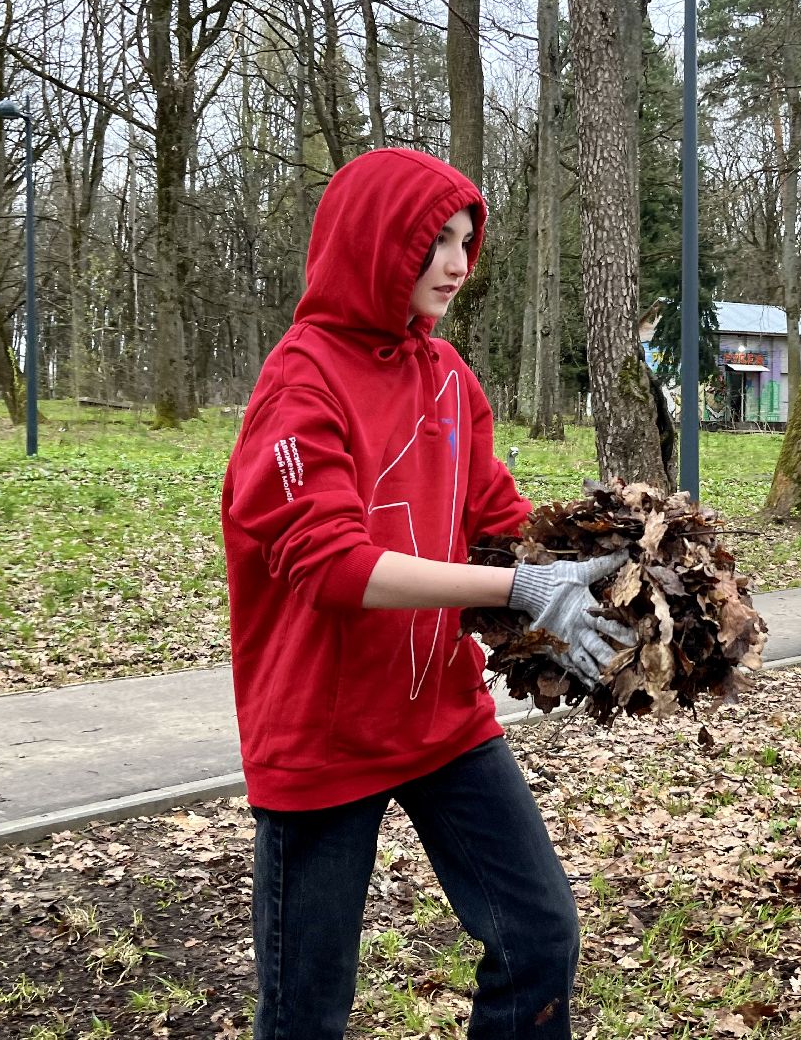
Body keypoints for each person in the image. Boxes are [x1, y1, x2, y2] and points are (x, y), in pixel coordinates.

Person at [221, 147, 632, 1038]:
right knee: (307, 1010)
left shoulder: (451, 382)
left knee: (539, 935)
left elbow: (498, 522)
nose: (457, 263)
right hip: (322, 737)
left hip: (440, 720)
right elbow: (329, 563)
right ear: (375, 246)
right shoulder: (300, 383)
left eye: (463, 241)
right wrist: (521, 584)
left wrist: (609, 588)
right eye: (433, 242)